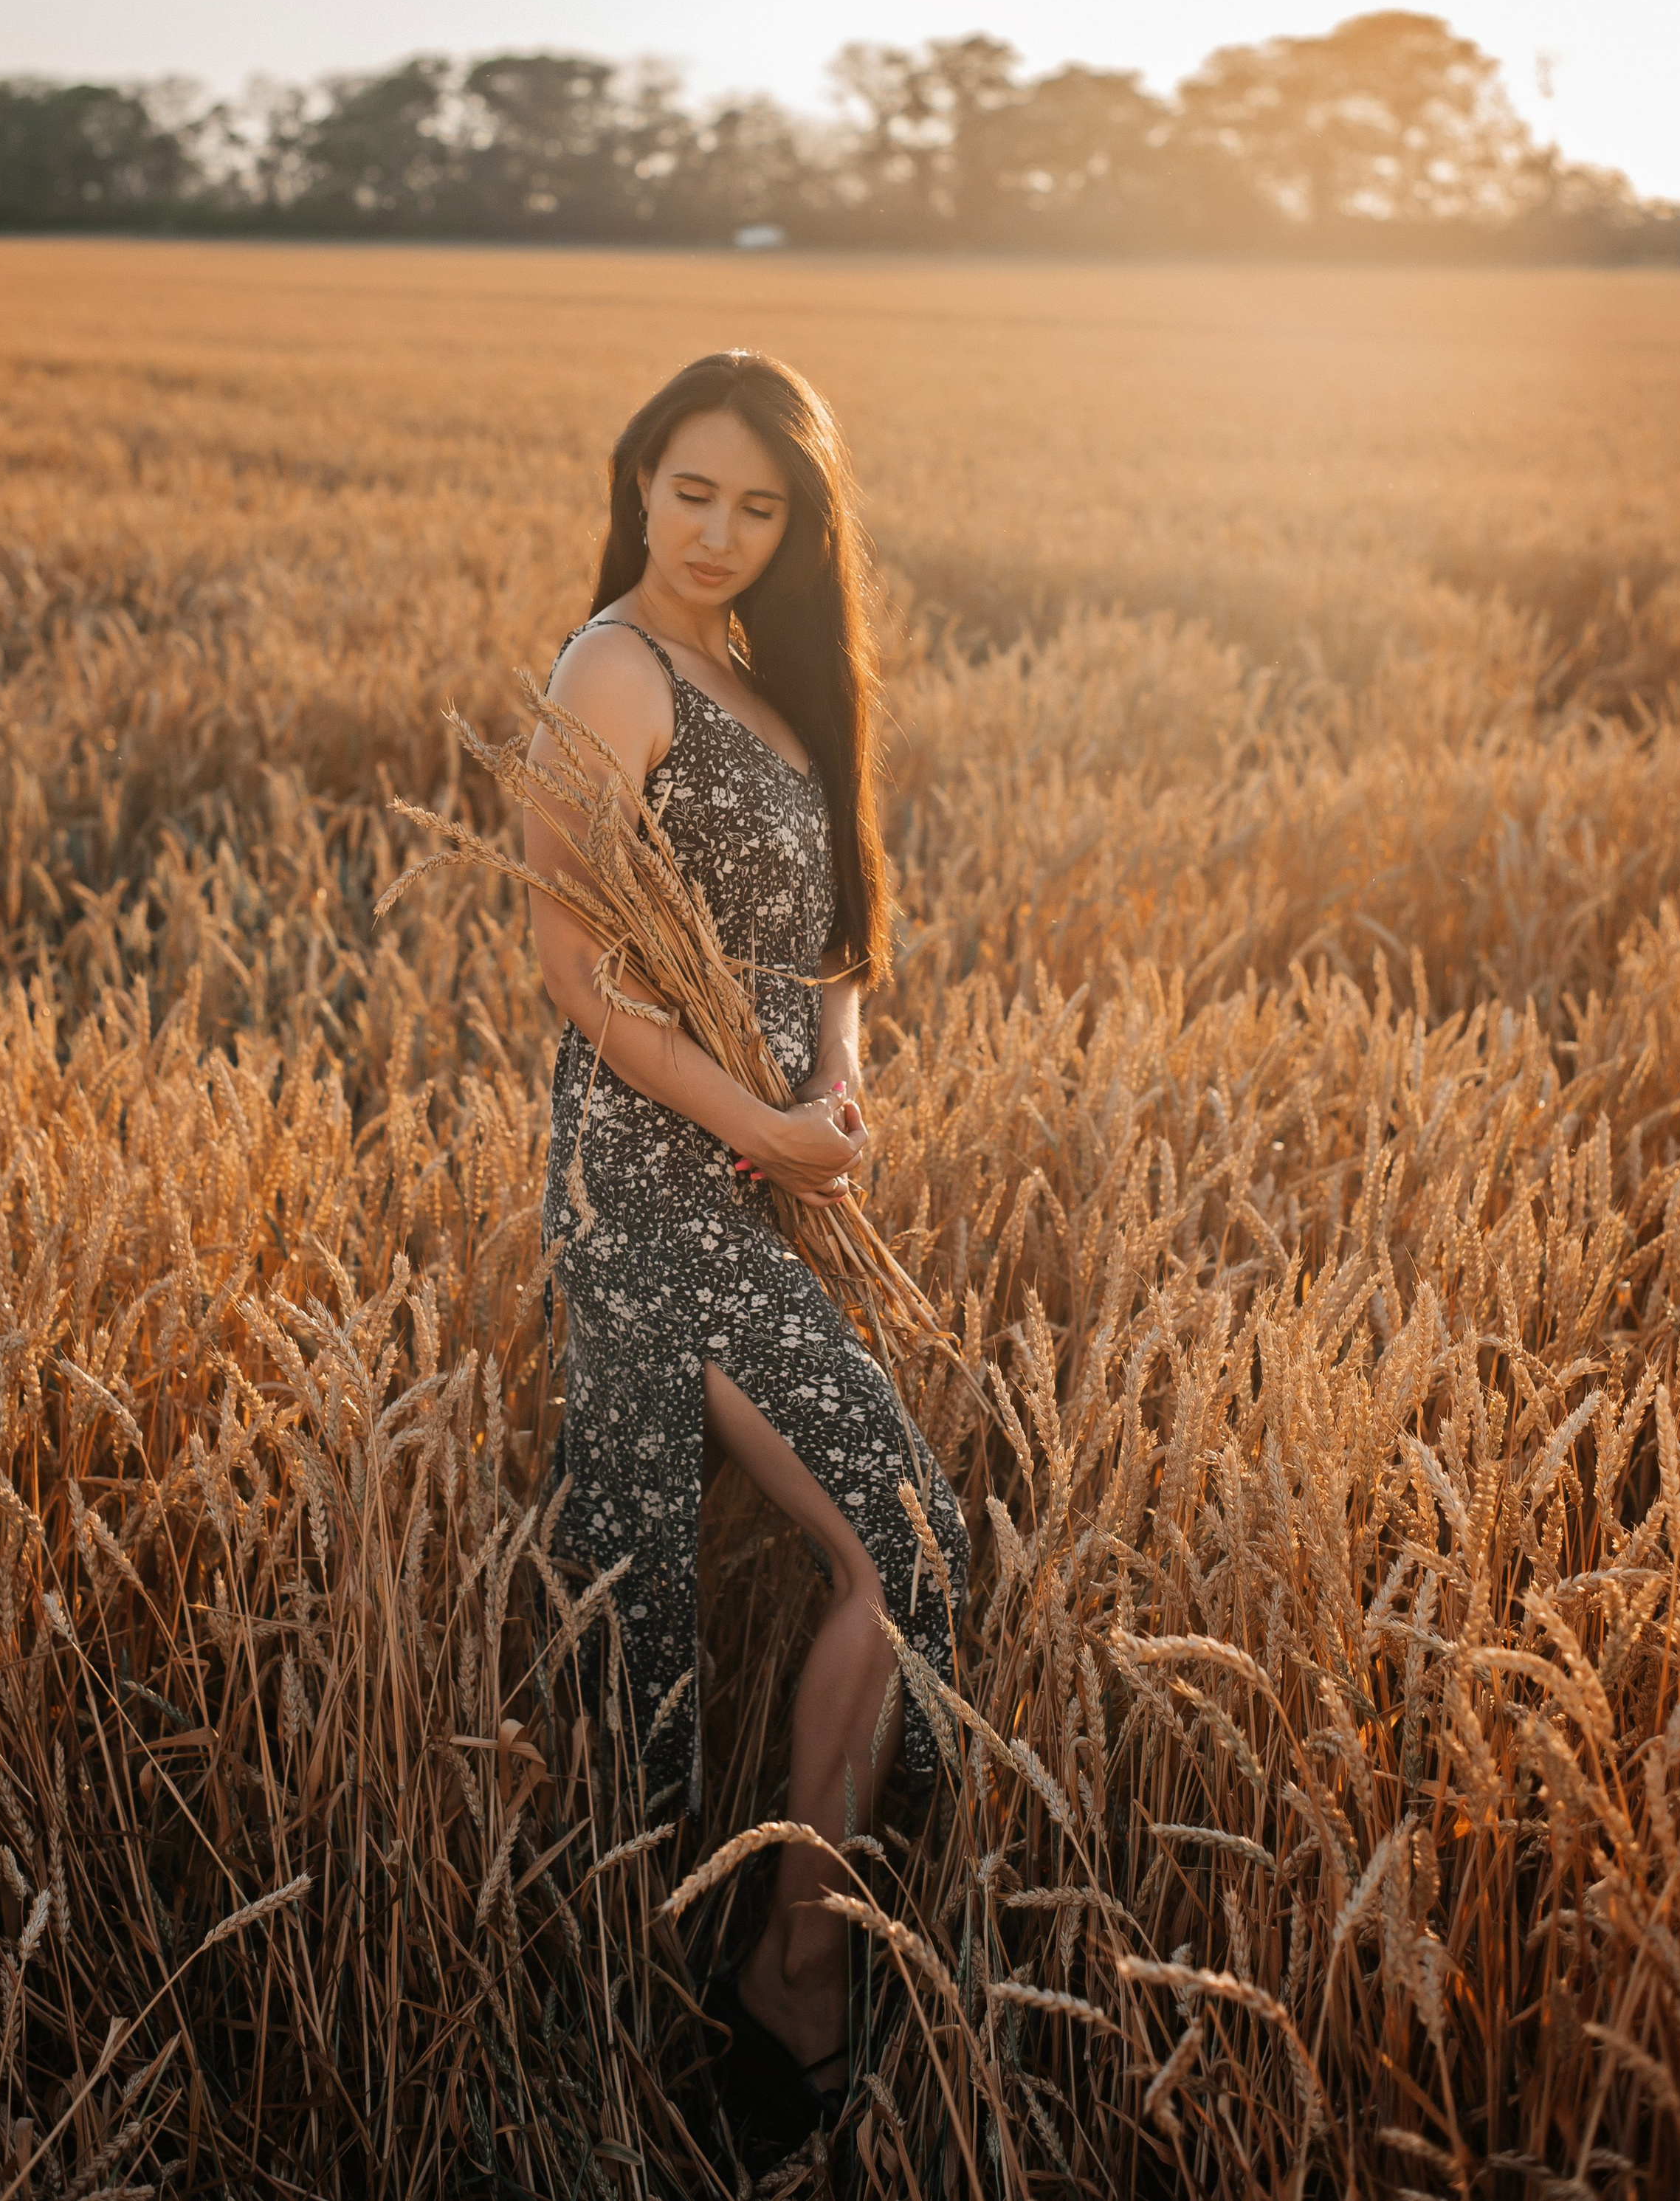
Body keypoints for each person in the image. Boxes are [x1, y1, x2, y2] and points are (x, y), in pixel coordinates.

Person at [526, 349, 970, 2154]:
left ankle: (792, 1945)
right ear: (637, 480)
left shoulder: (774, 683)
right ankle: (789, 1970)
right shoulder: (609, 667)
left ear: (801, 524)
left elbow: (831, 948)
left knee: (911, 1556)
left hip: (767, 1176)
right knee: (905, 1540)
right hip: (649, 1191)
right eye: (690, 490)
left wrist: (835, 1089)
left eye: (760, 506)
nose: (717, 532)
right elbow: (575, 970)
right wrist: (751, 1124)